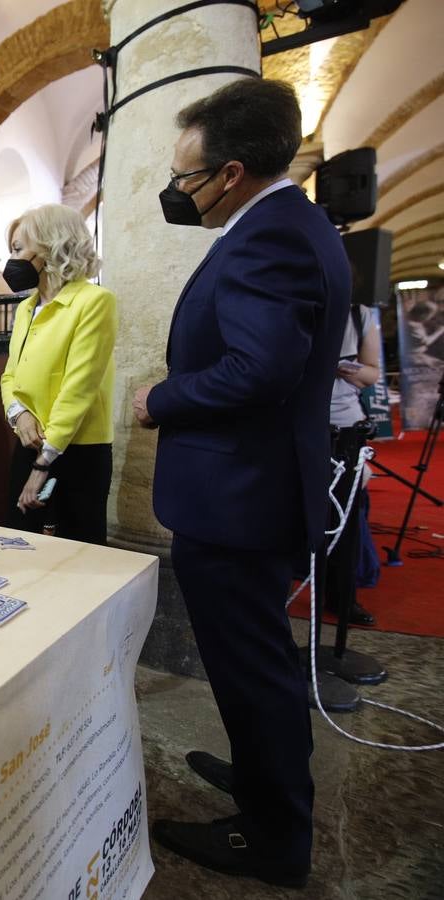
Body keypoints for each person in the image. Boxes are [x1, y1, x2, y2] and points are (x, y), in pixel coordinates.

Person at [132, 78, 350, 889]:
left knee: (253, 668)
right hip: (250, 492)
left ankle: (272, 837)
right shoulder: (288, 224)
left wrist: (163, 396)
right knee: (257, 662)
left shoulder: (273, 236)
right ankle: (265, 779)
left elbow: (260, 367)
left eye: (186, 174)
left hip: (241, 500)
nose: (176, 190)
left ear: (229, 174)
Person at [0, 204, 117, 544]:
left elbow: (78, 388)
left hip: (75, 452)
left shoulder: (94, 302)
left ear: (51, 245)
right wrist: (18, 414)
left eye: (19, 249)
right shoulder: (25, 308)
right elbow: (10, 376)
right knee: (20, 541)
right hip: (28, 442)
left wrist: (43, 464)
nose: (13, 260)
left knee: (78, 550)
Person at [327, 303, 381, 628]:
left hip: (345, 425)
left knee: (346, 518)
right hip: (296, 421)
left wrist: (350, 371)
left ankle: (343, 596)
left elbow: (372, 372)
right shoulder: (295, 303)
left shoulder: (359, 315)